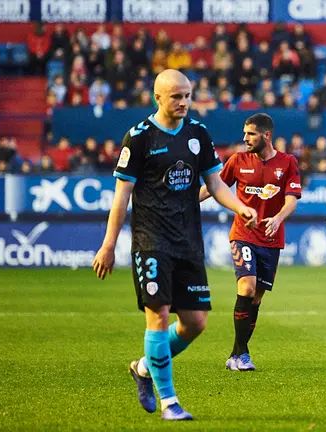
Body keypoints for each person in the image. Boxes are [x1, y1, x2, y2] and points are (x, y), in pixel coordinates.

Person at [92, 69, 257, 421]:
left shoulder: (199, 134)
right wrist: (109, 244)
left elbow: (215, 184)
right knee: (159, 315)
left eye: (187, 95)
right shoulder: (138, 139)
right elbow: (121, 197)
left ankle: (143, 368)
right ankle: (170, 403)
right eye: (176, 97)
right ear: (158, 98)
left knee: (195, 322)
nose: (183, 102)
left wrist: (241, 206)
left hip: (188, 241)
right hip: (151, 240)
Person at [199, 113, 301, 372]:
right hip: (243, 234)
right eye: (245, 134)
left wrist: (277, 218)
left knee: (255, 299)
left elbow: (291, 199)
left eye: (251, 134)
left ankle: (237, 353)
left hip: (271, 238)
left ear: (266, 135)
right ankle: (243, 354)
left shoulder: (288, 163)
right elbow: (214, 187)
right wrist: (186, 201)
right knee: (246, 287)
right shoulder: (238, 161)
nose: (245, 139)